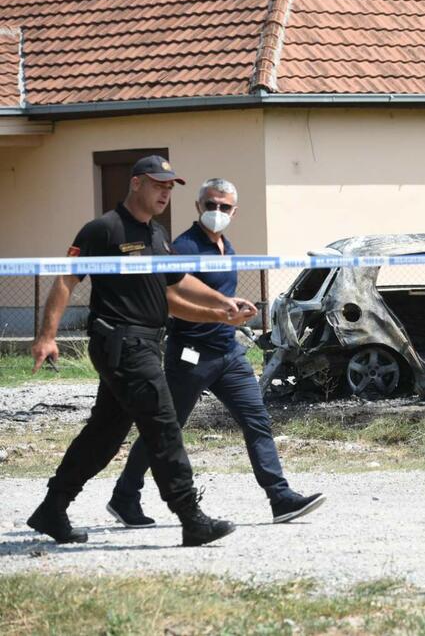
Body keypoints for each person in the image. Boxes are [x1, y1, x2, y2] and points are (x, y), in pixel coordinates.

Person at [29, 155, 257, 546]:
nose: (165, 193)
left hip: (147, 342)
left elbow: (175, 287)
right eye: (158, 185)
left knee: (104, 434)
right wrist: (47, 336)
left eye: (169, 187)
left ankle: (52, 508)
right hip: (121, 342)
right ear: (136, 183)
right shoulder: (104, 229)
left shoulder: (157, 235)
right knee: (163, 425)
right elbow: (66, 279)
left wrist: (223, 306)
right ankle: (191, 517)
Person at [107, 178, 325, 529]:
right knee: (166, 429)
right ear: (198, 207)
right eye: (211, 205)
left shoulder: (227, 247)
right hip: (190, 354)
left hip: (229, 353)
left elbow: (220, 297)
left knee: (257, 421)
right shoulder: (184, 247)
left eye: (225, 207)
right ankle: (124, 495)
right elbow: (170, 301)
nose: (217, 212)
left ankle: (281, 497)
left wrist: (232, 310)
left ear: (234, 212)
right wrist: (219, 314)